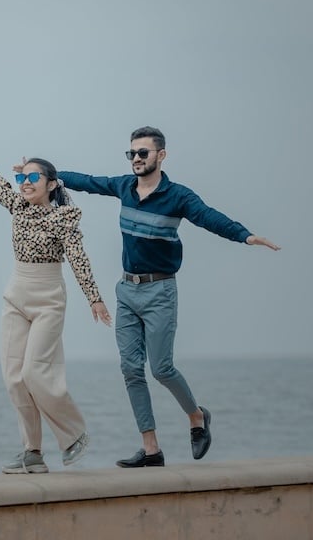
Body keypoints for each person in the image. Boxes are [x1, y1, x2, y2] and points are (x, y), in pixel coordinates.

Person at [52, 126, 280, 468]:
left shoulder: (178, 196)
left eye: (143, 153)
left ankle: (197, 417)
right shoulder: (124, 186)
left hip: (160, 291)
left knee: (161, 368)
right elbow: (87, 181)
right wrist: (48, 174)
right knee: (131, 369)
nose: (136, 159)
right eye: (132, 153)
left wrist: (245, 236)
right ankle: (151, 450)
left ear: (161, 155)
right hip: (127, 290)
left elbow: (209, 218)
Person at [0, 127, 113, 474]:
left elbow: (78, 258)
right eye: (22, 177)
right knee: (14, 378)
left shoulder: (64, 217)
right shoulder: (17, 206)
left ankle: (73, 435)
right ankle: (32, 453)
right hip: (16, 295)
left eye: (34, 177)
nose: (24, 183)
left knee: (35, 372)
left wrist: (94, 298)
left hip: (49, 299)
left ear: (51, 184)